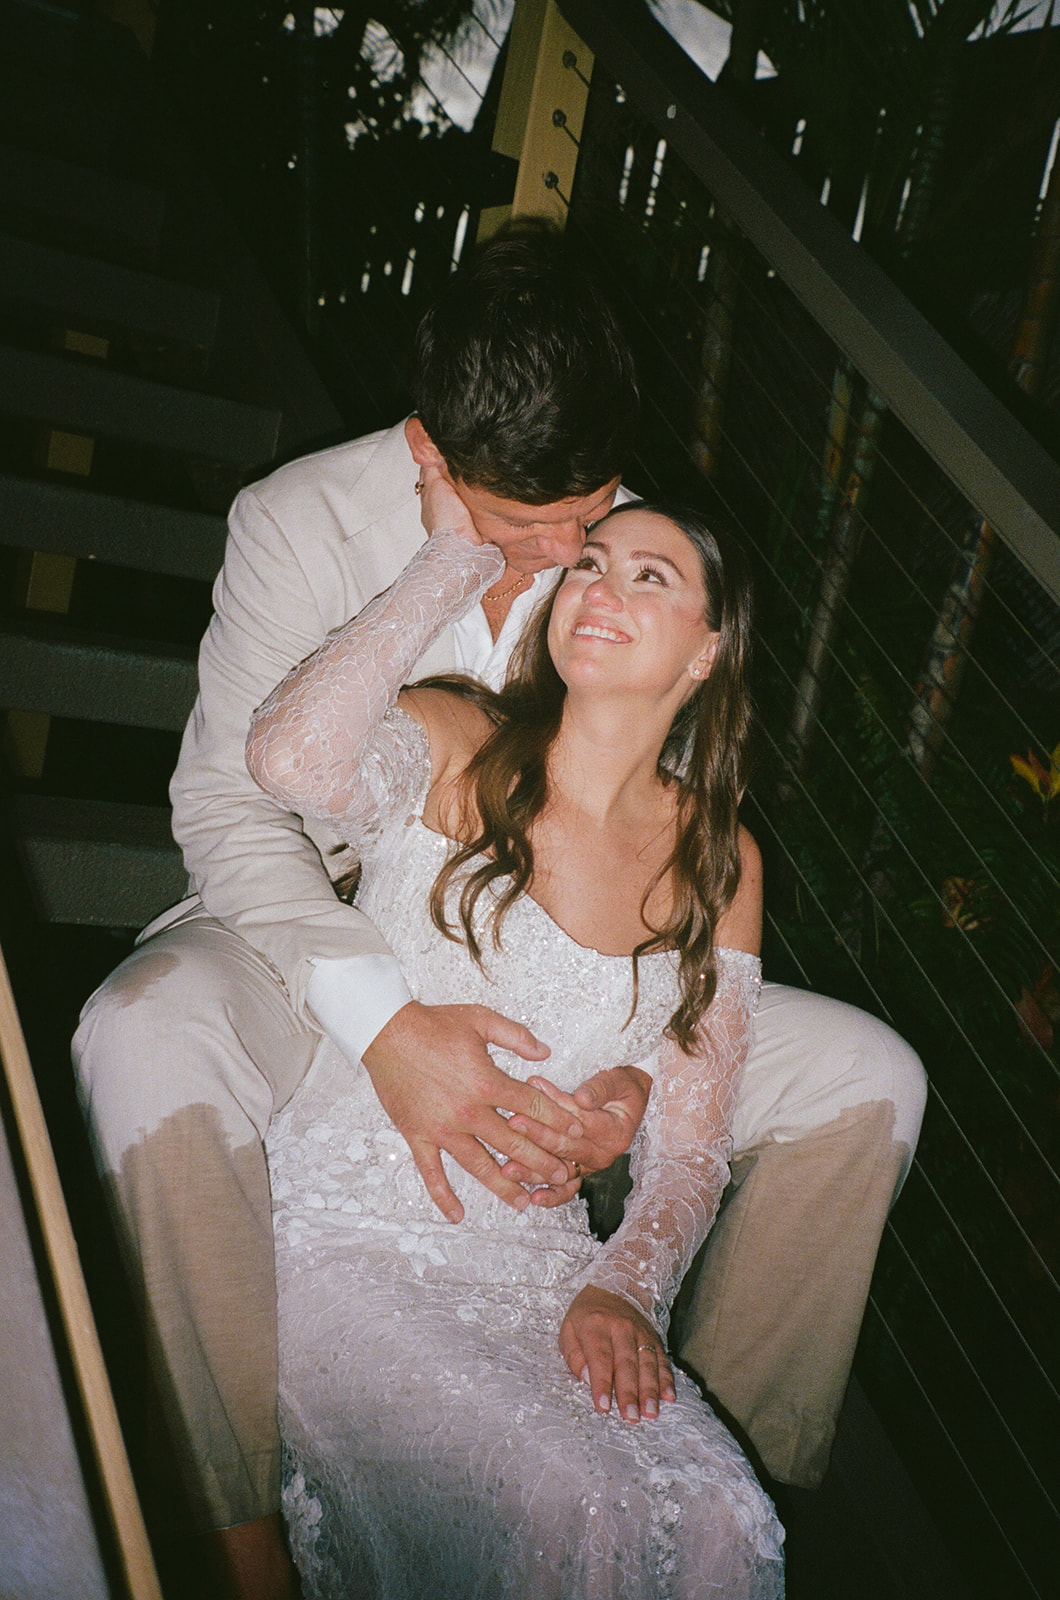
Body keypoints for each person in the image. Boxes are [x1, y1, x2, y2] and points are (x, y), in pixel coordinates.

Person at [72, 229, 924, 1599]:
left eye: (584, 521)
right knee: (138, 1032)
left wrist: (638, 1081)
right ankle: (232, 1525)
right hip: (310, 925)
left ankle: (706, 1468)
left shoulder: (632, 552)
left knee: (866, 1078)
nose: (560, 559)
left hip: (549, 959)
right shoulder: (297, 520)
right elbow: (235, 809)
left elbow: (661, 851)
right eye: (525, 530)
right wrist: (385, 1021)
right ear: (429, 449)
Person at [247, 482, 785, 1598]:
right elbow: (292, 762)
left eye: (651, 576)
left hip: (540, 1270)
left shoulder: (720, 857)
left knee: (723, 1519)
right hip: (343, 1240)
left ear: (708, 651)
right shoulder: (459, 735)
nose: (600, 586)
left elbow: (689, 1149)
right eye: (589, 563)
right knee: (571, 1502)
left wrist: (624, 1291)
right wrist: (450, 562)